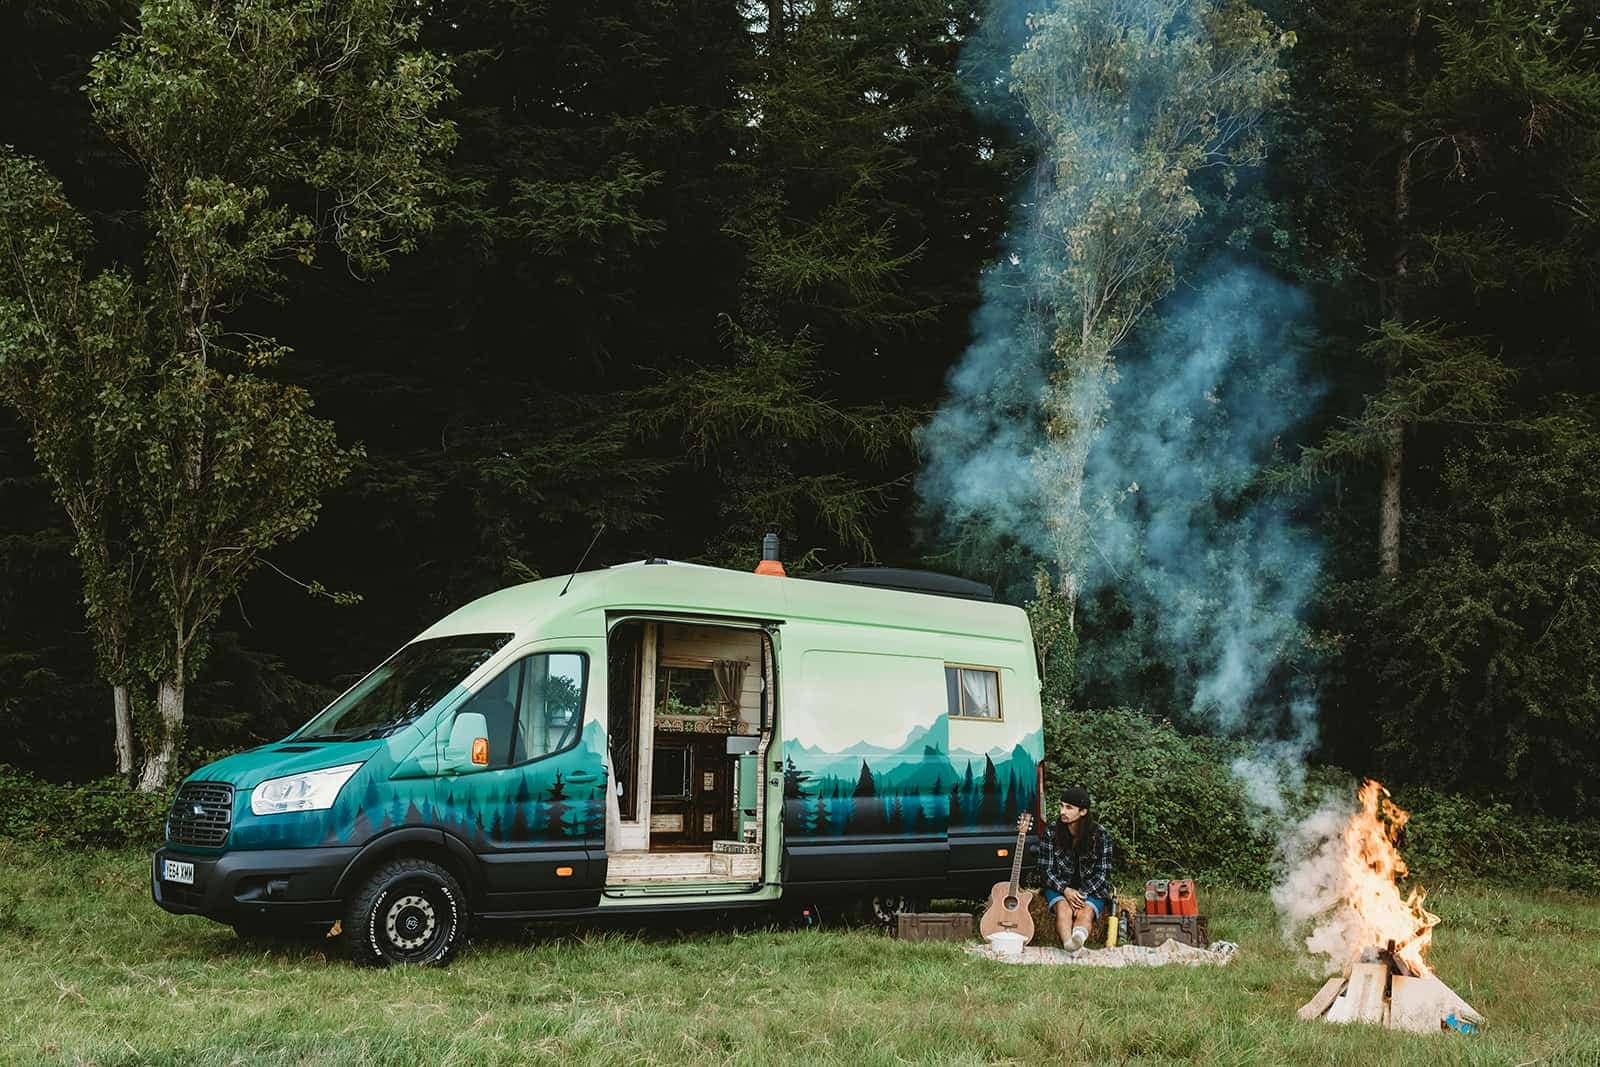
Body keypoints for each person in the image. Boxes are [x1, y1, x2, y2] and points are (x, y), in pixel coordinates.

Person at [1036, 786, 1113, 952]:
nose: (1063, 811)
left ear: (1083, 812)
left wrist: (1080, 895)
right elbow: (1045, 870)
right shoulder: (1051, 832)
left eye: (1069, 807)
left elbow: (1103, 874)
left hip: (1091, 889)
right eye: (1061, 806)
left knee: (1086, 912)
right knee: (1063, 908)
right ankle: (1069, 945)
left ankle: (1078, 941)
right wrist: (1065, 890)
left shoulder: (1100, 835)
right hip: (1059, 886)